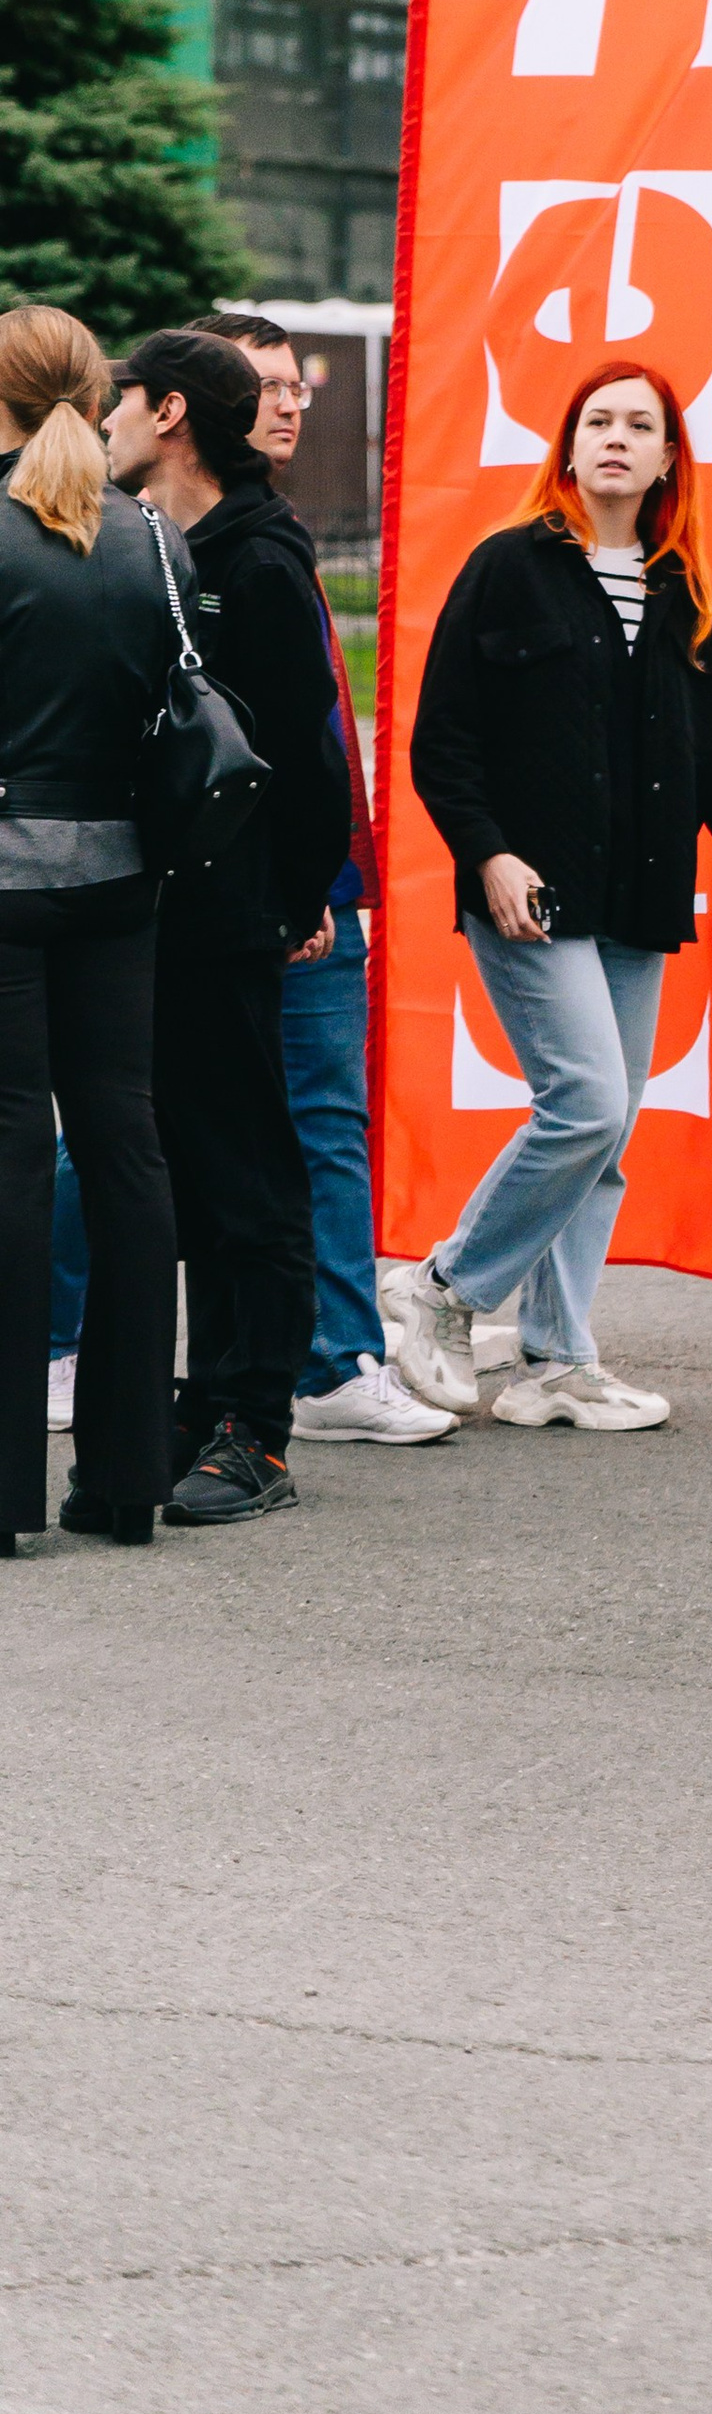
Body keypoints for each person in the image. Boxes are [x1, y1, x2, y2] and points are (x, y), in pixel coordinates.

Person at [393, 360, 712, 1432]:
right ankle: (441, 1286)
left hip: (638, 895)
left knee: (605, 1138)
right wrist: (488, 854)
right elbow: (444, 743)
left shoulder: (683, 588)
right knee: (586, 1101)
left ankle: (556, 1361)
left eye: (641, 424)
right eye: (598, 421)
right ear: (568, 448)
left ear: (670, 455)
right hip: (529, 894)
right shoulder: (508, 567)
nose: (617, 437)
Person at [182, 314, 452, 1446]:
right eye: (265, 387)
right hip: (270, 891)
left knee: (297, 1127)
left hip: (303, 883)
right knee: (224, 1140)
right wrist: (306, 889)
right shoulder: (219, 547)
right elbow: (280, 746)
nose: (288, 403)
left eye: (296, 385)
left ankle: (327, 1355)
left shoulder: (259, 537)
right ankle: (311, 1365)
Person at [106, 328, 350, 1525]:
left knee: (250, 1169)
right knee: (195, 1169)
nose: (104, 426)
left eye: (119, 405)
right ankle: (206, 1405)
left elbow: (310, 750)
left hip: (231, 916)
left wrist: (295, 900)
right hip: (161, 909)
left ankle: (260, 1423)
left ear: (167, 414)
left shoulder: (257, 561)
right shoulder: (163, 544)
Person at [0, 309, 182, 1550]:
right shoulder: (154, 538)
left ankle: (8, 1494)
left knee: (12, 1153)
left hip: (3, 879)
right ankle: (126, 1478)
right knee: (125, 1144)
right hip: (124, 875)